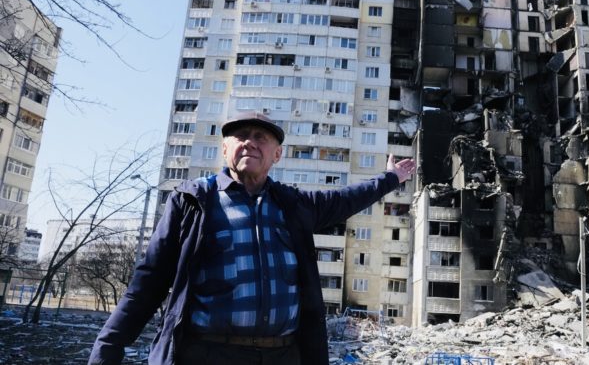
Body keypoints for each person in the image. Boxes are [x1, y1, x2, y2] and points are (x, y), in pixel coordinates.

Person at [88, 111, 415, 365]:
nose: (250, 142)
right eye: (241, 136)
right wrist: (107, 347)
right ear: (225, 148)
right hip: (207, 355)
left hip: (282, 356)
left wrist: (391, 178)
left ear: (277, 154)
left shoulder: (293, 205)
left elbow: (346, 199)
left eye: (261, 137)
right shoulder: (193, 202)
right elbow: (148, 282)